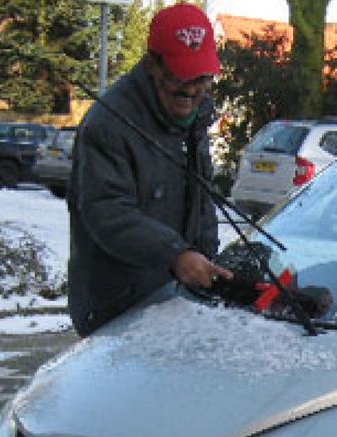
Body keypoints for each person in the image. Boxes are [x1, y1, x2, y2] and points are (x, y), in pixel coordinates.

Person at [67, 3, 233, 337]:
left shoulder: (196, 116)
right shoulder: (110, 124)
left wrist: (206, 259)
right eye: (177, 77)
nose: (189, 89)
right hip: (117, 307)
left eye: (200, 78)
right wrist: (177, 255)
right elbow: (106, 212)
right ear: (151, 64)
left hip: (175, 299)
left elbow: (200, 201)